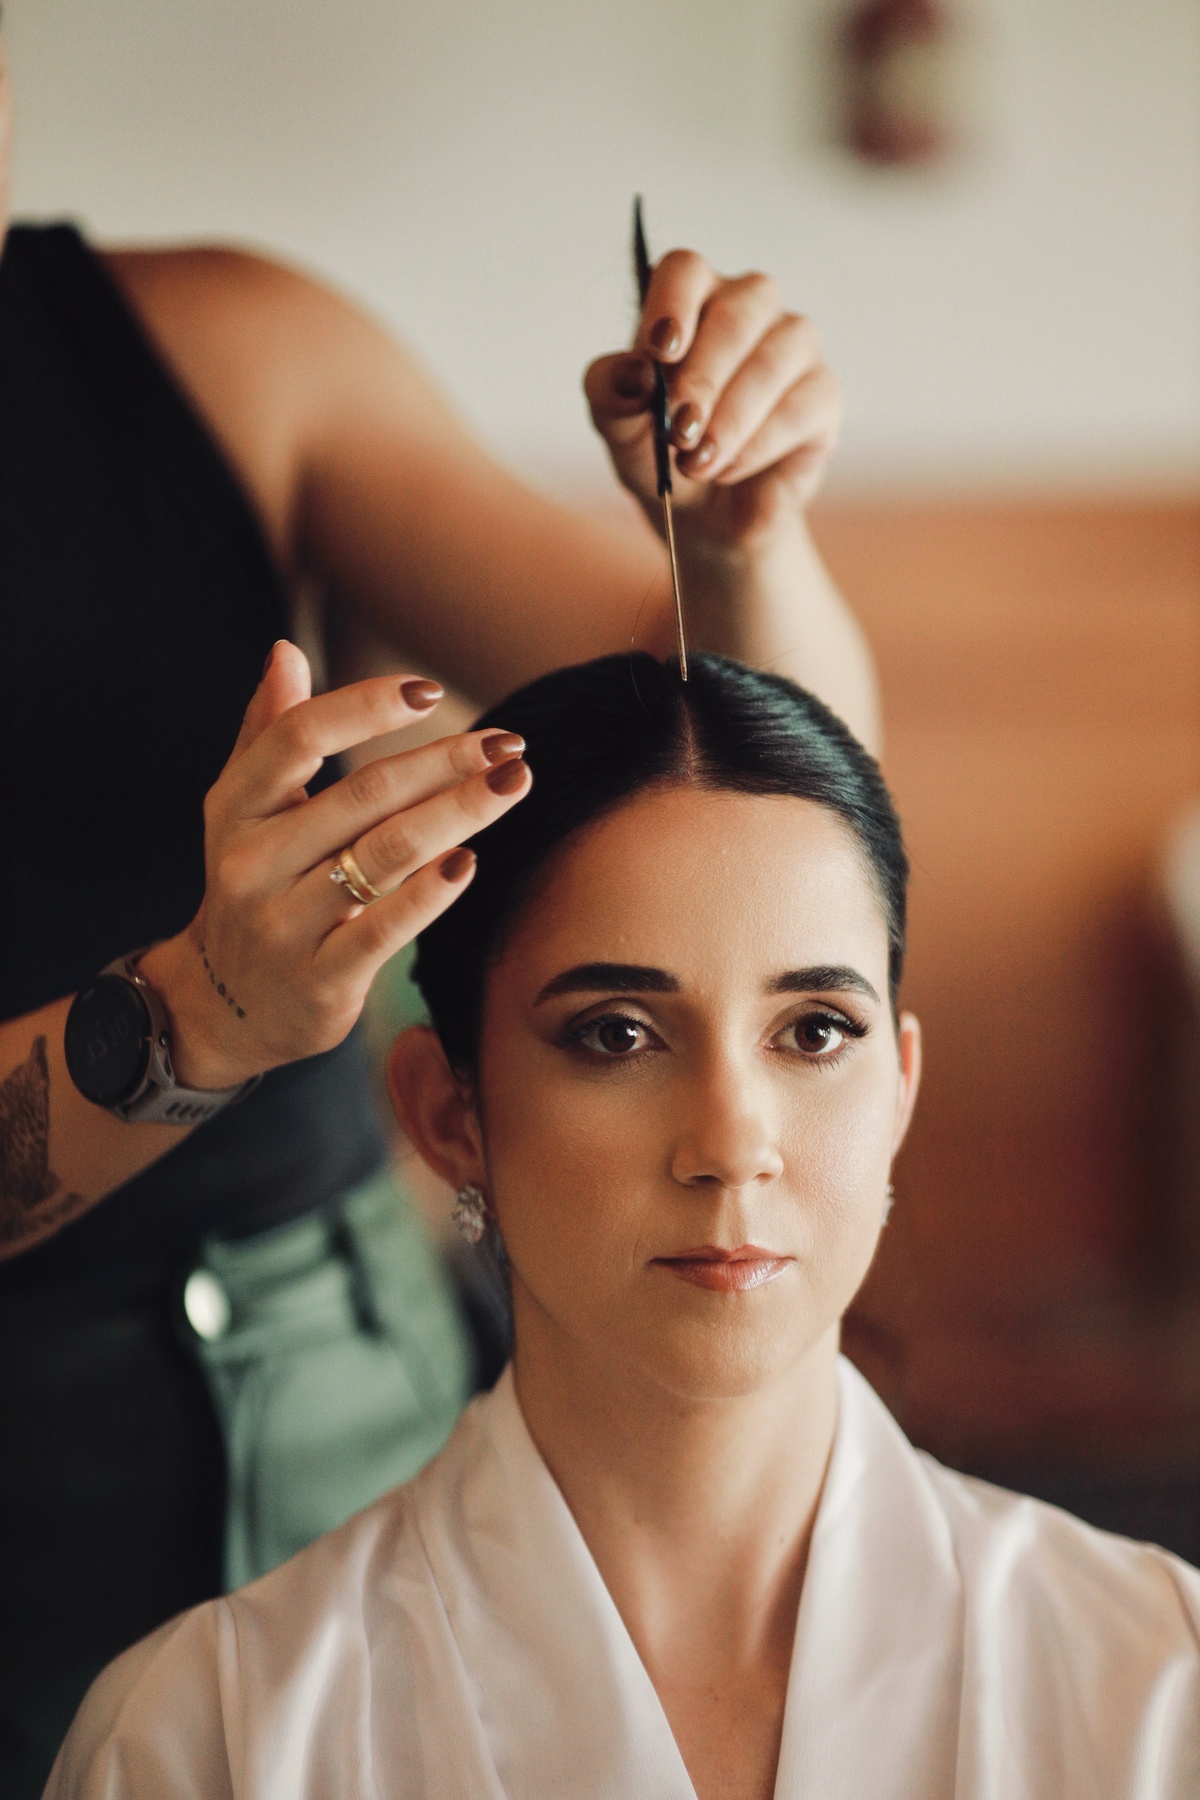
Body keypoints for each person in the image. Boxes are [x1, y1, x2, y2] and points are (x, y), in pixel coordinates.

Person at [0, 22, 879, 1795]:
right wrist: (192, 1020)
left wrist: (744, 544)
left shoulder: (226, 353)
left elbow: (757, 752)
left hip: (368, 1360)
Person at [46, 652, 1200, 1800]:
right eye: (616, 1034)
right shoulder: (212, 1741)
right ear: (449, 1113)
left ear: (898, 1089)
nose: (729, 1145)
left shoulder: (1159, 1683)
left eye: (812, 1033)